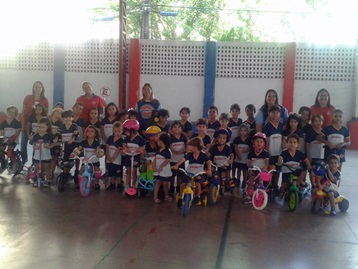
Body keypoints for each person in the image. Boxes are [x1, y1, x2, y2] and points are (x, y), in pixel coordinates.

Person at [172, 137, 212, 207]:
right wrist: (176, 165)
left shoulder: (203, 155)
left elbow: (208, 162)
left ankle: (197, 196)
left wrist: (209, 170)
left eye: (190, 145)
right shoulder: (189, 154)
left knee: (197, 184)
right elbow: (183, 159)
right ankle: (180, 198)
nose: (188, 147)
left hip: (199, 173)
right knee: (183, 184)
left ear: (195, 147)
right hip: (189, 172)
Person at [21, 81, 49, 161]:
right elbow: (23, 111)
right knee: (23, 144)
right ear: (33, 88)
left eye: (39, 87)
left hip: (38, 127)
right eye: (36, 87)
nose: (37, 88)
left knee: (36, 145)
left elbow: (45, 114)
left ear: (42, 88)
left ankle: (35, 162)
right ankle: (24, 160)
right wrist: (24, 124)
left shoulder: (45, 100)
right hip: (27, 124)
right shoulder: (28, 97)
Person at [277, 134, 312, 198]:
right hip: (287, 170)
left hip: (296, 170)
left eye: (294, 142)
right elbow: (280, 157)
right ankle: (282, 192)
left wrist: (309, 166)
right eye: (290, 142)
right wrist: (280, 162)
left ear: (297, 144)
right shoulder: (284, 152)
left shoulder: (299, 153)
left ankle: (298, 186)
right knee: (284, 183)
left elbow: (306, 160)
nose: (292, 144)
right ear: (287, 143)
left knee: (303, 172)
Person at [70, 125, 104, 190]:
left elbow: (98, 149)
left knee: (97, 170)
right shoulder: (84, 142)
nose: (90, 133)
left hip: (94, 160)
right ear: (86, 133)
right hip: (86, 161)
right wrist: (74, 154)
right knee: (81, 171)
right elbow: (79, 149)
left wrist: (99, 153)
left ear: (95, 134)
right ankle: (80, 183)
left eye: (92, 131)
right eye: (88, 131)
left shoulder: (97, 142)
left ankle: (97, 183)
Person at [244, 132, 270, 204]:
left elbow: (266, 161)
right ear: (254, 142)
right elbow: (249, 162)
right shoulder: (251, 153)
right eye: (257, 141)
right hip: (253, 169)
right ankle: (249, 196)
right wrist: (249, 165)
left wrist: (265, 167)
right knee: (250, 181)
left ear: (264, 144)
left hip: (261, 170)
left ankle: (261, 193)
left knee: (261, 180)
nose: (259, 143)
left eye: (261, 142)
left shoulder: (265, 153)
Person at [263, 104, 284, 189]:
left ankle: (275, 185)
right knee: (271, 168)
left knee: (278, 170)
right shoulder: (267, 126)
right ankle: (269, 184)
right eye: (273, 112)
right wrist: (267, 152)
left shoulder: (281, 126)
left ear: (280, 114)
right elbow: (266, 141)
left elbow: (283, 139)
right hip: (271, 153)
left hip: (279, 152)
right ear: (269, 114)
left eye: (277, 112)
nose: (275, 114)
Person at [30, 118, 56, 187]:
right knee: (38, 167)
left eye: (43, 127)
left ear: (47, 127)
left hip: (46, 155)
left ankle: (48, 180)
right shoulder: (36, 135)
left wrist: (49, 146)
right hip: (37, 154)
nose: (41, 129)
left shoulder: (49, 135)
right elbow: (32, 143)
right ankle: (38, 178)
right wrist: (34, 146)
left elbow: (54, 143)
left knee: (46, 168)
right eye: (39, 127)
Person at [122, 119, 145, 192]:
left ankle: (134, 185)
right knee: (128, 171)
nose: (125, 133)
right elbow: (124, 144)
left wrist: (139, 150)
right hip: (128, 156)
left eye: (126, 131)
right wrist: (126, 148)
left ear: (132, 131)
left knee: (134, 171)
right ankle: (127, 185)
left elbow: (143, 146)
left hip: (136, 156)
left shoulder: (139, 138)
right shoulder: (126, 138)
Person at [208, 129, 233, 193]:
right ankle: (210, 183)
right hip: (215, 164)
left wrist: (231, 159)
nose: (221, 140)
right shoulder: (214, 147)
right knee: (210, 171)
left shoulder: (227, 148)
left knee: (223, 174)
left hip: (223, 164)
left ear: (226, 139)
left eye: (224, 138)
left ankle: (224, 184)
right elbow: (209, 154)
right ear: (216, 138)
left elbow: (231, 155)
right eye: (220, 138)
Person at [59, 110, 79, 189]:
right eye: (65, 118)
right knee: (65, 159)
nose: (67, 119)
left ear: (72, 118)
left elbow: (76, 133)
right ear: (63, 119)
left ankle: (77, 171)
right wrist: (56, 138)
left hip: (73, 145)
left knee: (76, 157)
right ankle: (66, 173)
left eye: (69, 117)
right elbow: (58, 133)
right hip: (65, 145)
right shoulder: (61, 126)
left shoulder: (74, 126)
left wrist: (73, 139)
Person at [152, 133, 173, 203]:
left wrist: (161, 166)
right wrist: (153, 165)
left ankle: (166, 195)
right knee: (157, 182)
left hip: (164, 170)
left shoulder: (167, 151)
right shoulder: (158, 150)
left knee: (165, 183)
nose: (157, 142)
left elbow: (167, 160)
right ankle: (155, 196)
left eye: (159, 141)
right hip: (158, 170)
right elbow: (155, 158)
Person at [305, 114, 325, 188]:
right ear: (312, 122)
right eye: (316, 121)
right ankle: (313, 186)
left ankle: (321, 186)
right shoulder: (310, 132)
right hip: (313, 156)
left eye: (320, 121)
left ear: (322, 121)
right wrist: (309, 156)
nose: (318, 123)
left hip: (322, 156)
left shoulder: (324, 132)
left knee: (321, 171)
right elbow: (307, 145)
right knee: (312, 171)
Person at [0, 106, 22, 171]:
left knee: (9, 152)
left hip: (13, 139)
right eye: (9, 111)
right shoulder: (4, 122)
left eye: (13, 112)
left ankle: (15, 163)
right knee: (1, 151)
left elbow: (17, 133)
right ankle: (3, 163)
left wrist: (12, 138)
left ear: (15, 114)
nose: (10, 113)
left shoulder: (17, 122)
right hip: (5, 139)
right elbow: (1, 133)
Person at [169, 121, 187, 195]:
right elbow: (170, 146)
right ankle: (172, 187)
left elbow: (186, 144)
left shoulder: (183, 136)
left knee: (180, 174)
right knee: (173, 175)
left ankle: (179, 188)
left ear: (181, 129)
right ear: (172, 129)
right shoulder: (170, 137)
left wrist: (184, 150)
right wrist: (175, 151)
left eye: (179, 127)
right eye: (175, 127)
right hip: (173, 159)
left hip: (181, 159)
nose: (177, 128)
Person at [105, 122, 124, 191]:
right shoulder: (110, 138)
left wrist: (113, 158)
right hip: (109, 159)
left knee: (118, 173)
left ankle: (119, 184)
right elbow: (107, 147)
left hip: (117, 160)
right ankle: (112, 183)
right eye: (115, 131)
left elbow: (118, 150)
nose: (117, 133)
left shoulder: (121, 140)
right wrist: (108, 157)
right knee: (111, 172)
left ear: (122, 131)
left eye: (119, 131)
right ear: (113, 131)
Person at [233, 124, 251, 188]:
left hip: (245, 157)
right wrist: (238, 155)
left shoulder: (249, 139)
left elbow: (251, 148)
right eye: (241, 130)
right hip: (238, 157)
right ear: (239, 131)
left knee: (245, 170)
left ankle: (244, 181)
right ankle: (238, 180)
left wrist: (247, 149)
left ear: (247, 131)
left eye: (245, 130)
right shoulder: (237, 139)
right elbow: (235, 147)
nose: (243, 132)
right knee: (239, 169)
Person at [48, 108, 63, 180]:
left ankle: (52, 172)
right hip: (47, 141)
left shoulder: (61, 123)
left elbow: (60, 132)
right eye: (57, 111)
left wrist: (56, 137)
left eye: (60, 113)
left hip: (56, 143)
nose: (58, 113)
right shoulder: (47, 121)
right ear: (53, 112)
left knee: (54, 158)